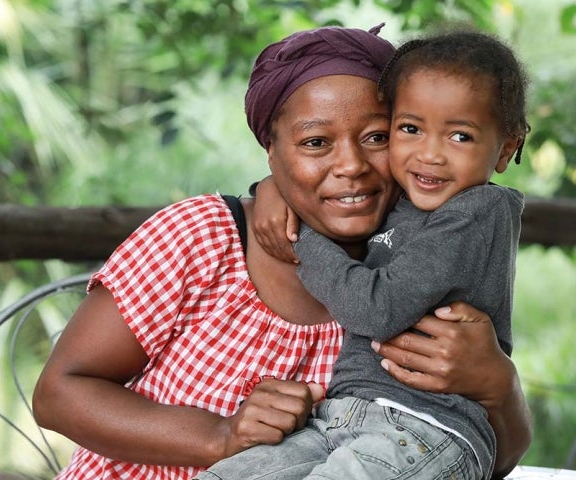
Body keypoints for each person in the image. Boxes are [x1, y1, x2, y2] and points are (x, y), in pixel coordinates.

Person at [31, 24, 532, 480]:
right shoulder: (205, 235)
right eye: (315, 142)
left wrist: (496, 383)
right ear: (271, 152)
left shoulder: (417, 262)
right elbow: (59, 394)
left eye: (377, 136)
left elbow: (484, 461)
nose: (351, 165)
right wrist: (220, 436)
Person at [195, 29, 528, 480]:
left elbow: (379, 308)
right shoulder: (407, 199)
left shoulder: (475, 210)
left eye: (460, 137)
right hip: (343, 418)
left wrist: (298, 235)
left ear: (507, 147)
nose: (429, 155)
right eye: (410, 129)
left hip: (425, 428)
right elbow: (330, 176)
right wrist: (274, 191)